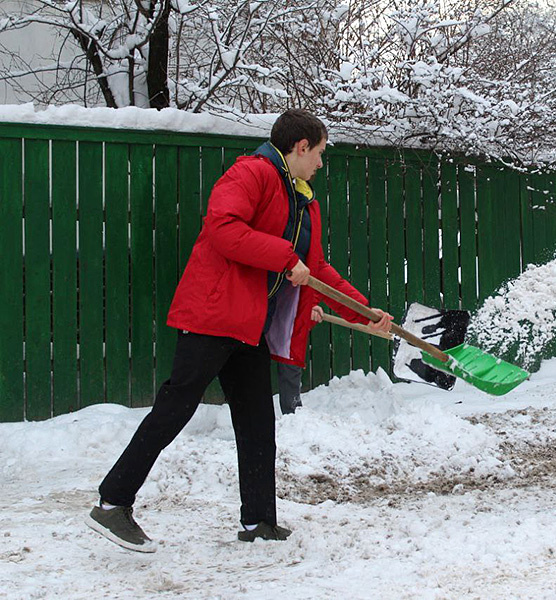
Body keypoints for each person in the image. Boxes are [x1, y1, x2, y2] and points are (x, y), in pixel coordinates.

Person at [86, 109, 392, 553]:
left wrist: (366, 312)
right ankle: (113, 502)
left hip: (250, 326)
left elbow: (317, 269)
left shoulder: (302, 202)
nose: (322, 163)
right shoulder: (252, 172)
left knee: (256, 422)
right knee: (175, 407)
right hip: (212, 316)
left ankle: (258, 522)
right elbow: (223, 228)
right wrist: (286, 258)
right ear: (301, 146)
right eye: (321, 152)